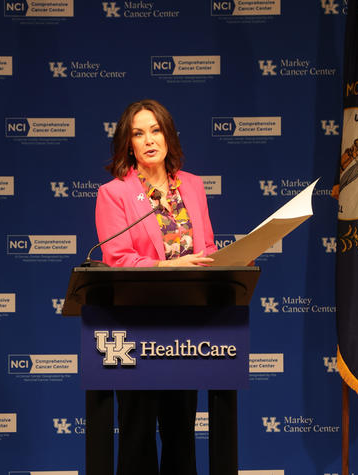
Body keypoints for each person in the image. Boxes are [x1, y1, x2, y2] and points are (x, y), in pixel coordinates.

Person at [95, 99, 216, 475]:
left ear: (168, 135)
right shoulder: (113, 194)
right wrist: (169, 265)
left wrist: (218, 260)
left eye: (155, 130)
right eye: (138, 133)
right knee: (138, 434)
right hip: (136, 330)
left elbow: (206, 247)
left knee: (181, 434)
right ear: (127, 144)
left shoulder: (193, 186)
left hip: (186, 330)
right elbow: (119, 259)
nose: (149, 140)